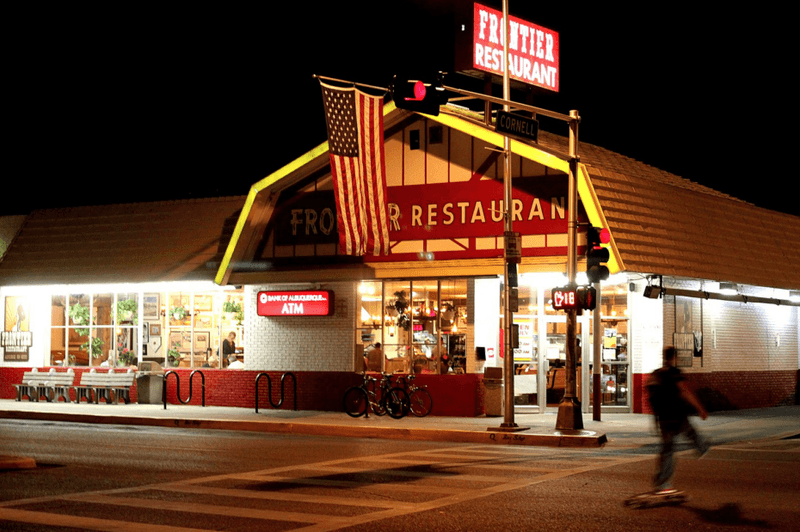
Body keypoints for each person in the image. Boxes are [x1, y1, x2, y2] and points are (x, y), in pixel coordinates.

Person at [647, 346, 710, 494]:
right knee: (690, 432)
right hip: (677, 415)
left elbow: (650, 395)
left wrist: (654, 418)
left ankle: (662, 482)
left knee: (667, 450)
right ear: (674, 357)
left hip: (662, 418)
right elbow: (685, 392)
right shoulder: (674, 373)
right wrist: (700, 409)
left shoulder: (655, 374)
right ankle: (702, 448)